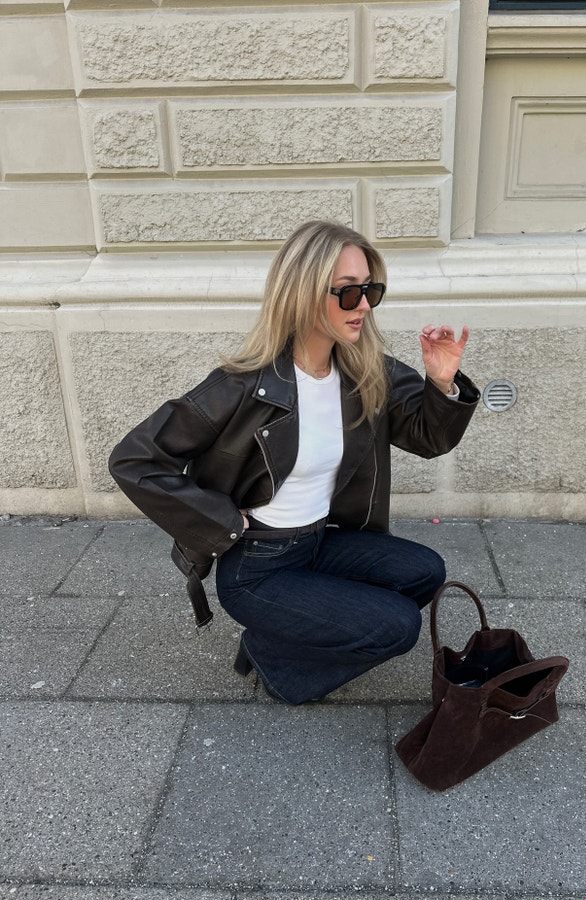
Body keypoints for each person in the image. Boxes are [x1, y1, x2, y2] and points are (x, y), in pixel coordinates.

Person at [109, 220, 480, 704]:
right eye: (349, 292)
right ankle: (280, 669)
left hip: (318, 541)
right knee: (397, 627)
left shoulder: (368, 372)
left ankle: (286, 634)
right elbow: (134, 460)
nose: (364, 306)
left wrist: (442, 383)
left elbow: (429, 437)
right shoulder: (241, 386)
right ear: (304, 293)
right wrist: (223, 521)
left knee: (425, 572)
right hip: (258, 566)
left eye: (371, 290)